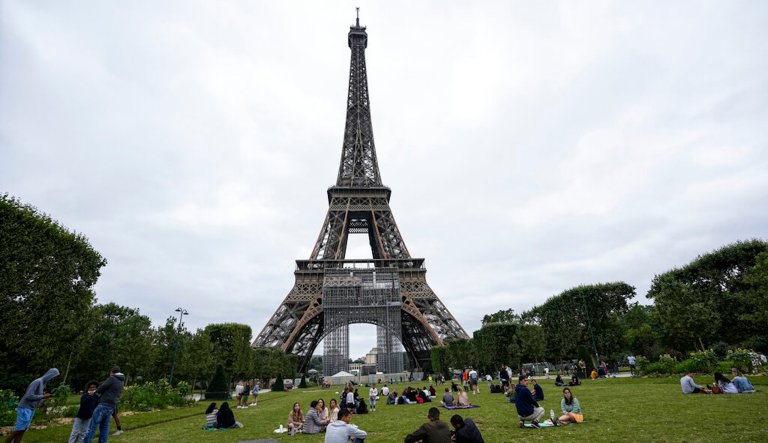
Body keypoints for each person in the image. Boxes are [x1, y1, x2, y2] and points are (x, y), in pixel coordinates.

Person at [6, 368, 59, 443]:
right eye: (53, 377)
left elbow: (37, 397)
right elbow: (29, 396)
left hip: (31, 409)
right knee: (18, 430)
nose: (53, 379)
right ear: (49, 375)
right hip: (25, 408)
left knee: (23, 430)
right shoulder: (37, 382)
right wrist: (43, 396)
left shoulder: (43, 384)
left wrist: (46, 397)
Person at [84, 366, 125, 443]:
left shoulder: (112, 378)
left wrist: (94, 392)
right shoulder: (121, 381)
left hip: (103, 405)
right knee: (104, 428)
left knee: (92, 427)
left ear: (112, 372)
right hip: (111, 406)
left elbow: (101, 388)